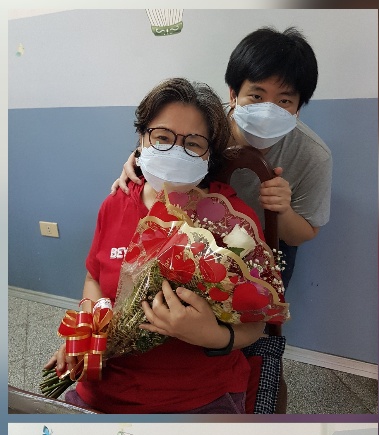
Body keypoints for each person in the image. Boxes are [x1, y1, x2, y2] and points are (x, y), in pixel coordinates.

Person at [44, 77, 267, 414]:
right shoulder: (115, 204)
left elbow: (257, 321)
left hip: (198, 397)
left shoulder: (232, 223)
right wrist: (87, 333)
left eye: (192, 144)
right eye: (162, 137)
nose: (175, 151)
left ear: (209, 155)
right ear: (141, 139)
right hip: (103, 386)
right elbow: (93, 278)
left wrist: (212, 335)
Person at [113, 27, 331, 289]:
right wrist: (140, 157)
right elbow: (167, 142)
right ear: (233, 94)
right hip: (192, 237)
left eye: (284, 101)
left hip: (262, 249)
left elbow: (303, 234)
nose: (267, 111)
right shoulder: (207, 127)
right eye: (257, 96)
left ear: (298, 108)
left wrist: (281, 210)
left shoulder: (313, 156)